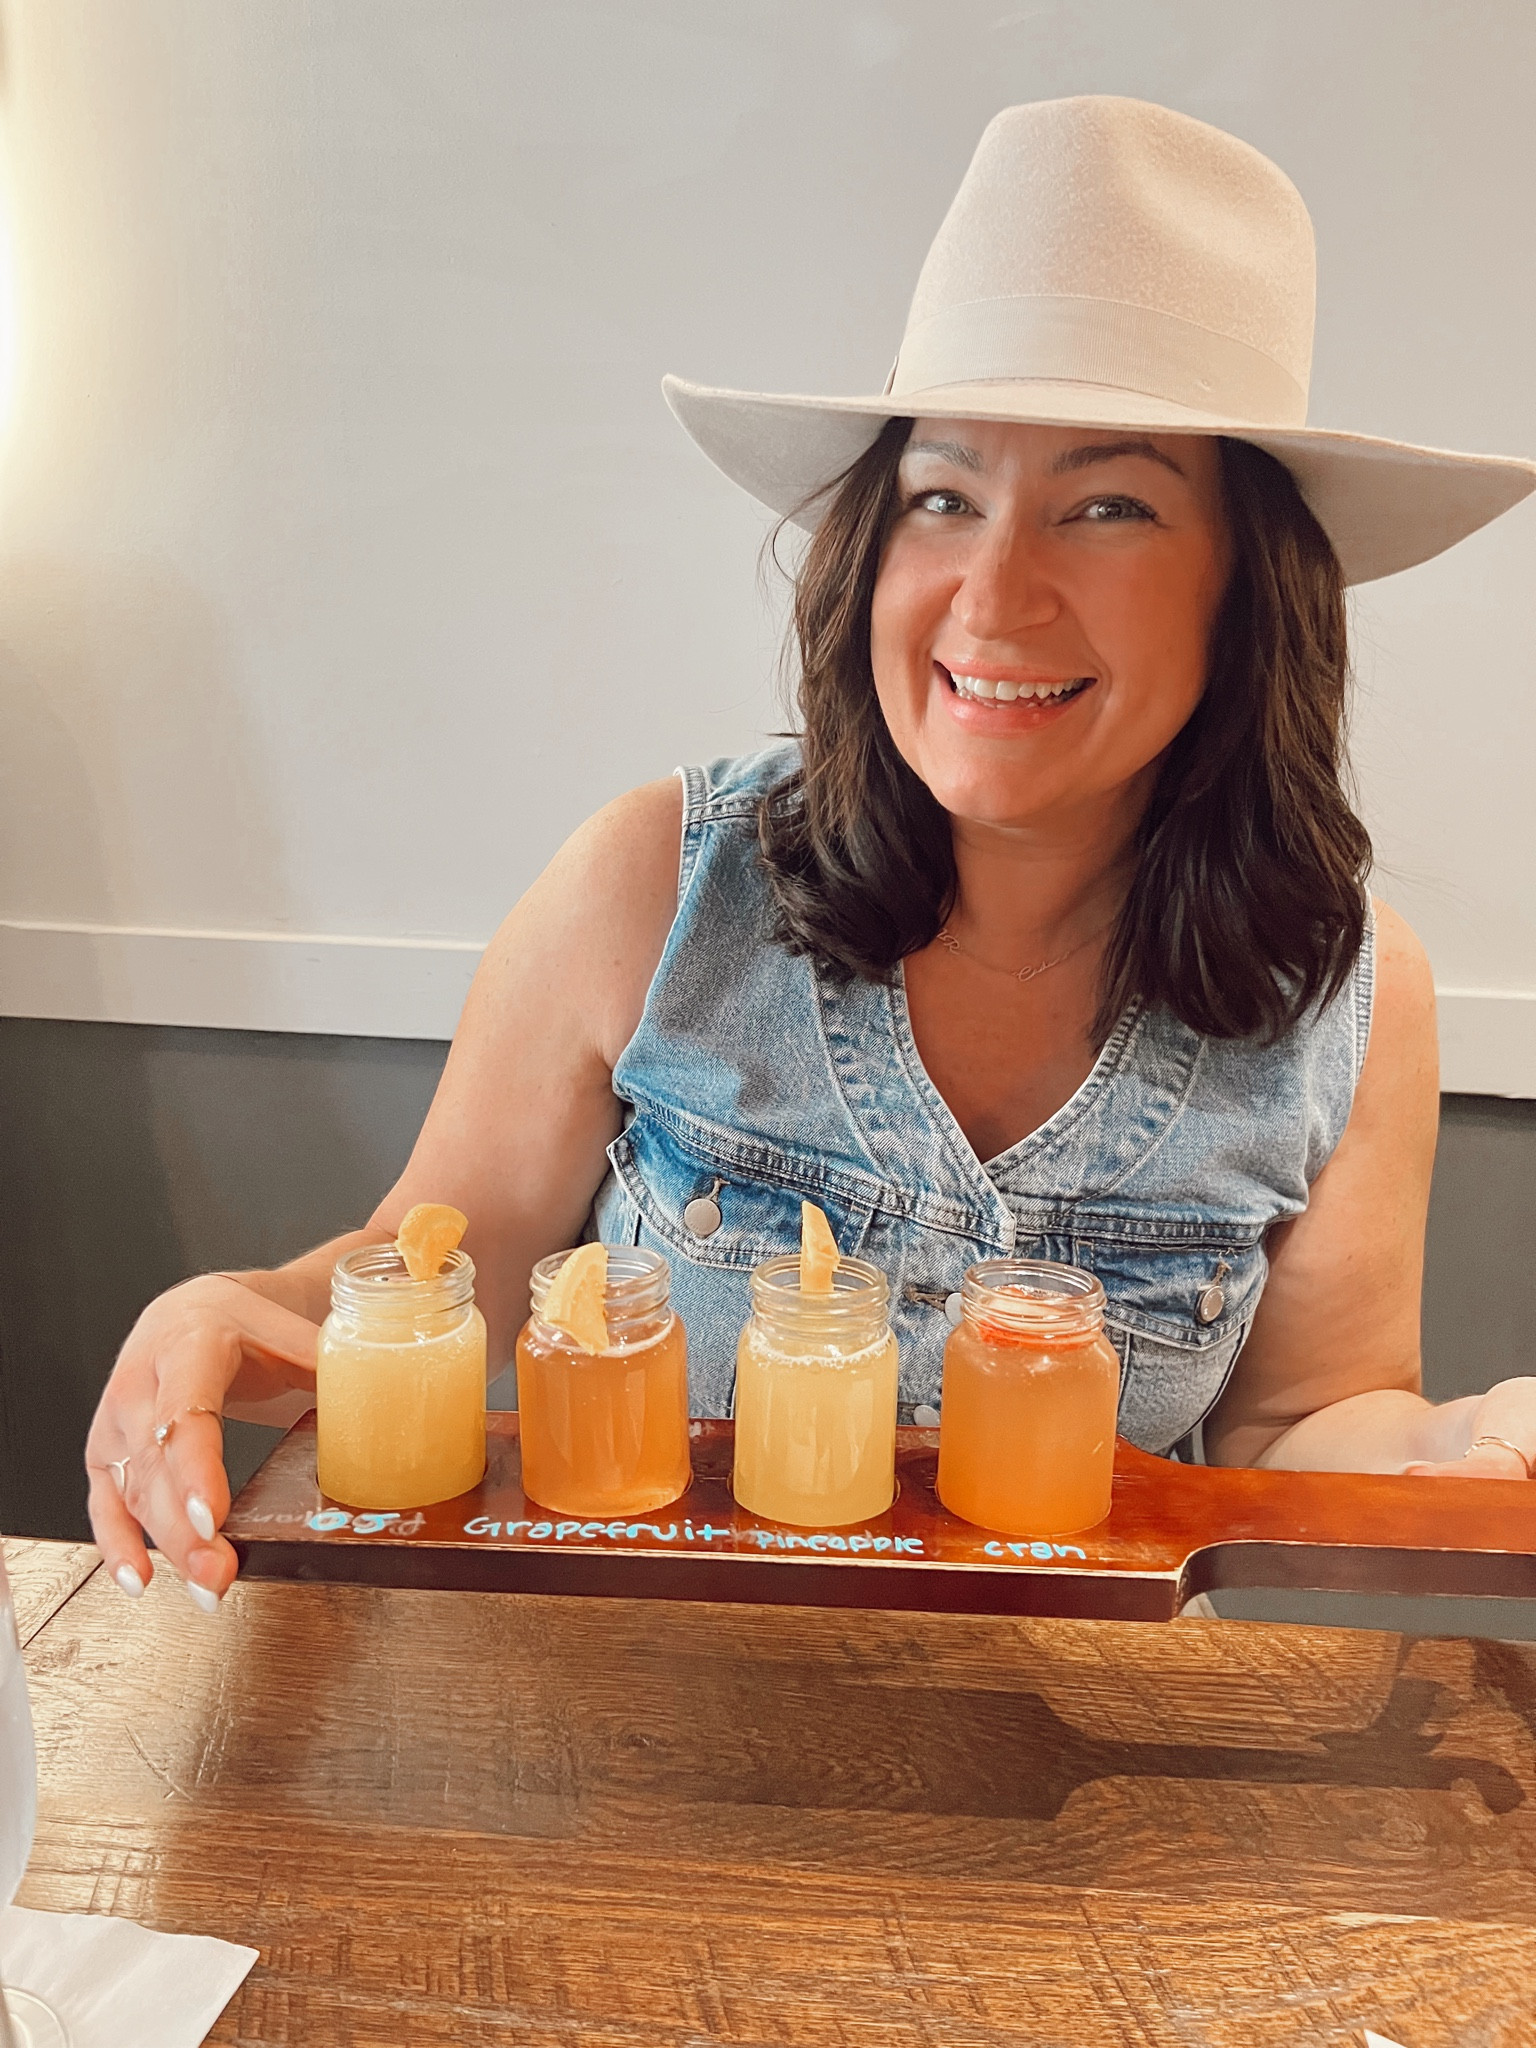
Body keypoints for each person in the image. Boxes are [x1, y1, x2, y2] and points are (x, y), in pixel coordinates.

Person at [86, 96, 1536, 1609]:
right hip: (627, 1744)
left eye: (1109, 505)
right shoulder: (654, 882)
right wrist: (224, 1308)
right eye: (942, 497)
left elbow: (1305, 1425)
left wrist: (1469, 1437)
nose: (993, 592)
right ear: (870, 551)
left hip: (1070, 1777)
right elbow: (423, 1263)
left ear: (1251, 590)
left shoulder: (1349, 992)